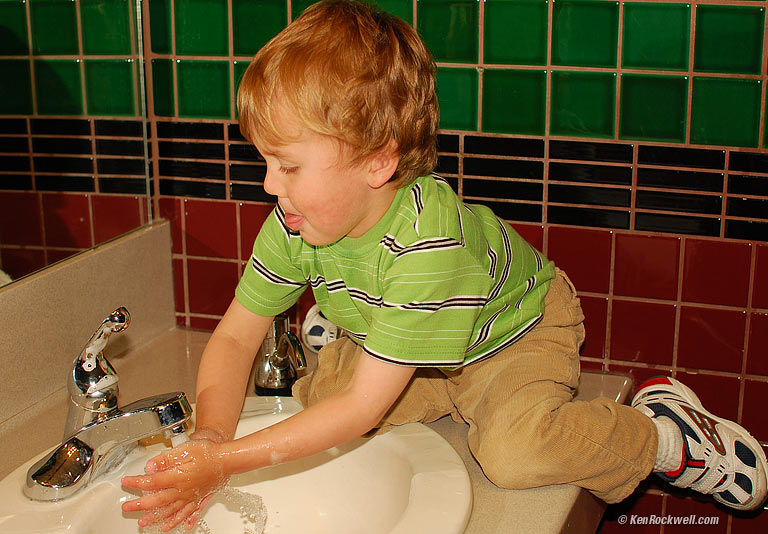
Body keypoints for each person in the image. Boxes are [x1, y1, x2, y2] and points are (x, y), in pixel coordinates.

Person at [121, 1, 767, 530]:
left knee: (510, 450)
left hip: (511, 333)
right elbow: (236, 335)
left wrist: (226, 463)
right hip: (428, 342)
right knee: (311, 400)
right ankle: (367, 326)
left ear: (378, 161)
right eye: (264, 161)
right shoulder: (299, 219)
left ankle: (663, 435)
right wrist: (210, 435)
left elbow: (359, 414)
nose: (267, 185)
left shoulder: (430, 245)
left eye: (287, 165)